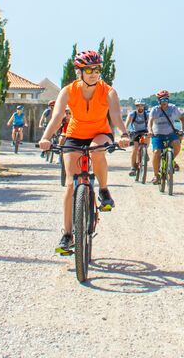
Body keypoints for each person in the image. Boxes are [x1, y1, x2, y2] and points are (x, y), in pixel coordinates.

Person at [39, 50, 130, 255]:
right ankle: (68, 235)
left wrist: (123, 134)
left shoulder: (108, 91)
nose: (93, 73)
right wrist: (45, 138)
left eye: (97, 69)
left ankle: (104, 190)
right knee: (71, 184)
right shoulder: (68, 91)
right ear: (79, 72)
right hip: (75, 134)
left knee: (96, 151)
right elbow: (57, 117)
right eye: (88, 69)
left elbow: (115, 116)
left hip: (100, 133)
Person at [149, 89, 184, 184]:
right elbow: (150, 121)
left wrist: (182, 130)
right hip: (158, 135)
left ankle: (171, 160)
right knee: (156, 152)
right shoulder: (155, 110)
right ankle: (156, 175)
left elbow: (181, 118)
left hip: (170, 134)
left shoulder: (173, 108)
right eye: (162, 100)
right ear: (158, 101)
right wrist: (150, 131)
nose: (164, 102)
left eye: (166, 100)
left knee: (177, 144)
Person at [124, 101, 150, 177]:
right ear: (136, 106)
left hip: (144, 131)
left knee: (147, 137)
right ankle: (132, 167)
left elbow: (151, 123)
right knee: (135, 148)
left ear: (143, 106)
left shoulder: (146, 114)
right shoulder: (132, 114)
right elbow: (126, 124)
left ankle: (145, 151)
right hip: (134, 132)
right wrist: (126, 131)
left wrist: (151, 130)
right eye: (138, 106)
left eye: (141, 105)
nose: (140, 107)